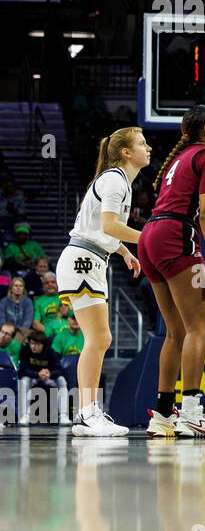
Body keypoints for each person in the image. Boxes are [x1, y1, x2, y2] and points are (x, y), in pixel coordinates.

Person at [139, 104, 205, 438]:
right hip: (175, 237)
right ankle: (191, 411)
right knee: (199, 328)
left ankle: (163, 415)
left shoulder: (178, 158)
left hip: (150, 235)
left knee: (175, 331)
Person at [51, 126, 151, 435]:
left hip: (92, 258)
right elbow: (109, 225)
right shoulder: (114, 180)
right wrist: (149, 239)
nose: (148, 149)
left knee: (99, 339)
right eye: (142, 144)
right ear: (125, 152)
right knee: (99, 339)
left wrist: (124, 252)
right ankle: (86, 414)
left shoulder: (119, 181)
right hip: (83, 260)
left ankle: (88, 413)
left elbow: (103, 227)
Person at [16, 332, 69, 426]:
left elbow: (60, 370)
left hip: (48, 378)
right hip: (32, 377)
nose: (33, 346)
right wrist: (37, 374)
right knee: (24, 381)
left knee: (61, 380)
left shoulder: (50, 352)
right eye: (32, 343)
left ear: (43, 345)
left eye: (37, 344)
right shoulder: (25, 350)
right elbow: (22, 370)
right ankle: (24, 416)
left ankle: (63, 416)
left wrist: (50, 374)